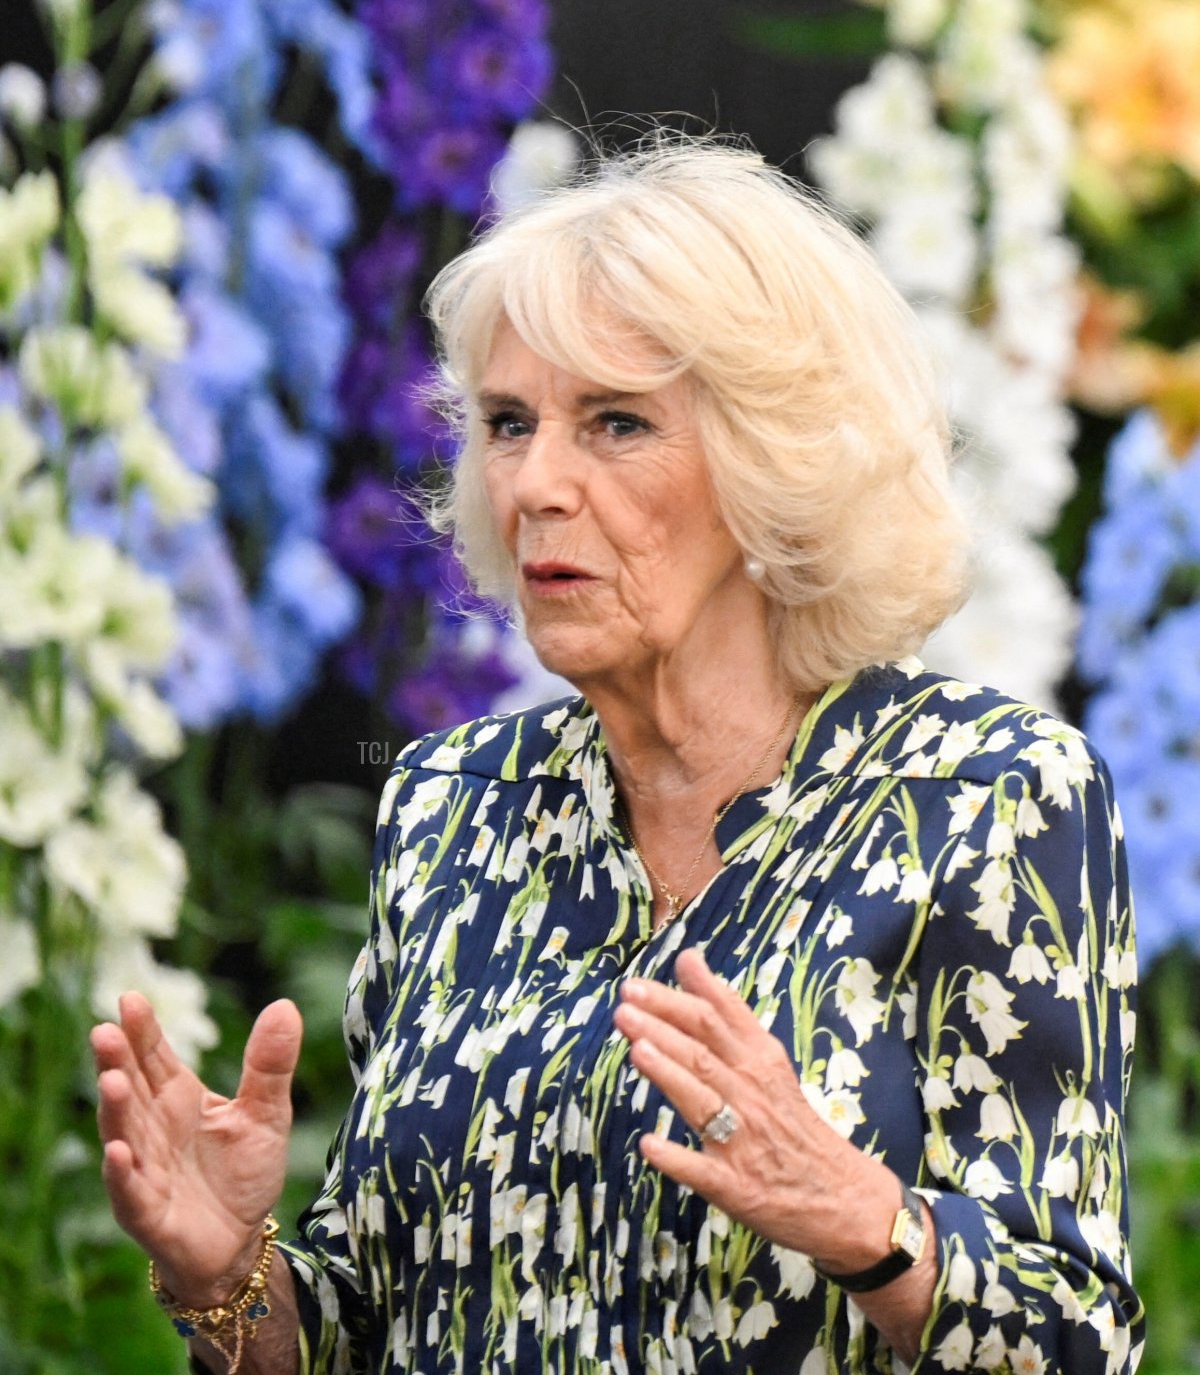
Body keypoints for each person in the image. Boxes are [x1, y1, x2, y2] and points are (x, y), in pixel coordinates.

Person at [91, 135, 1144, 1375]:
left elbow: (1080, 1337)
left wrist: (869, 1225)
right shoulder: (451, 810)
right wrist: (229, 1273)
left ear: (776, 464)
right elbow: (364, 1338)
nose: (536, 482)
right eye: (507, 422)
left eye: (617, 422)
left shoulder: (986, 798)